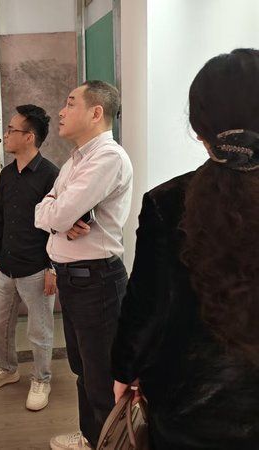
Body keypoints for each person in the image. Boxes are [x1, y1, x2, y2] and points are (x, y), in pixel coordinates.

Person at [112, 48, 259, 450]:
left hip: (187, 410)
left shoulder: (166, 202)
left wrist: (124, 370)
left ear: (198, 129)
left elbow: (146, 306)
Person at [35, 81, 133, 449]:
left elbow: (58, 212)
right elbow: (43, 210)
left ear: (96, 113)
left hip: (97, 281)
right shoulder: (76, 159)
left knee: (102, 378)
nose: (61, 112)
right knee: (82, 369)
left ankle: (109, 443)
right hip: (75, 280)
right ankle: (92, 438)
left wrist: (57, 214)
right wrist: (57, 216)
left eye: (70, 103)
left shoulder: (107, 157)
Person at [0, 104, 59, 412]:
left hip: (37, 268)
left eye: (12, 130)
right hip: (7, 266)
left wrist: (53, 267)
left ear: (29, 137)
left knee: (39, 331)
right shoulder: (7, 173)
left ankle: (41, 379)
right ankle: (7, 369)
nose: (6, 134)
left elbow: (59, 226)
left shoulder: (51, 175)